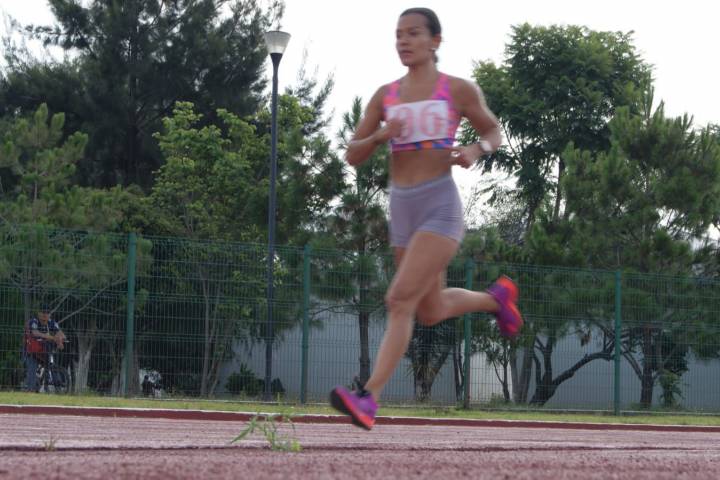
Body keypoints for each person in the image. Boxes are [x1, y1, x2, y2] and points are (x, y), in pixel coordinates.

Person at [329, 7, 523, 430]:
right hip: (402, 209)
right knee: (430, 310)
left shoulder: (457, 89)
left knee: (399, 300)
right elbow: (352, 154)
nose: (404, 41)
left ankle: (368, 398)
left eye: (413, 33)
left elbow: (493, 131)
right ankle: (496, 300)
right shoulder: (385, 96)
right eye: (399, 34)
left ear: (435, 40)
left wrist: (476, 150)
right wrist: (379, 136)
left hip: (439, 207)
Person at [23, 305, 66, 392]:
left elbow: (61, 334)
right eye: (43, 312)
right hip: (31, 352)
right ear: (39, 313)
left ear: (50, 314)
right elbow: (35, 333)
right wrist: (51, 337)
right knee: (32, 370)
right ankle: (30, 389)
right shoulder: (34, 322)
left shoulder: (52, 323)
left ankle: (57, 387)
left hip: (45, 351)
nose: (45, 315)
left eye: (47, 312)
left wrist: (60, 340)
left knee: (52, 366)